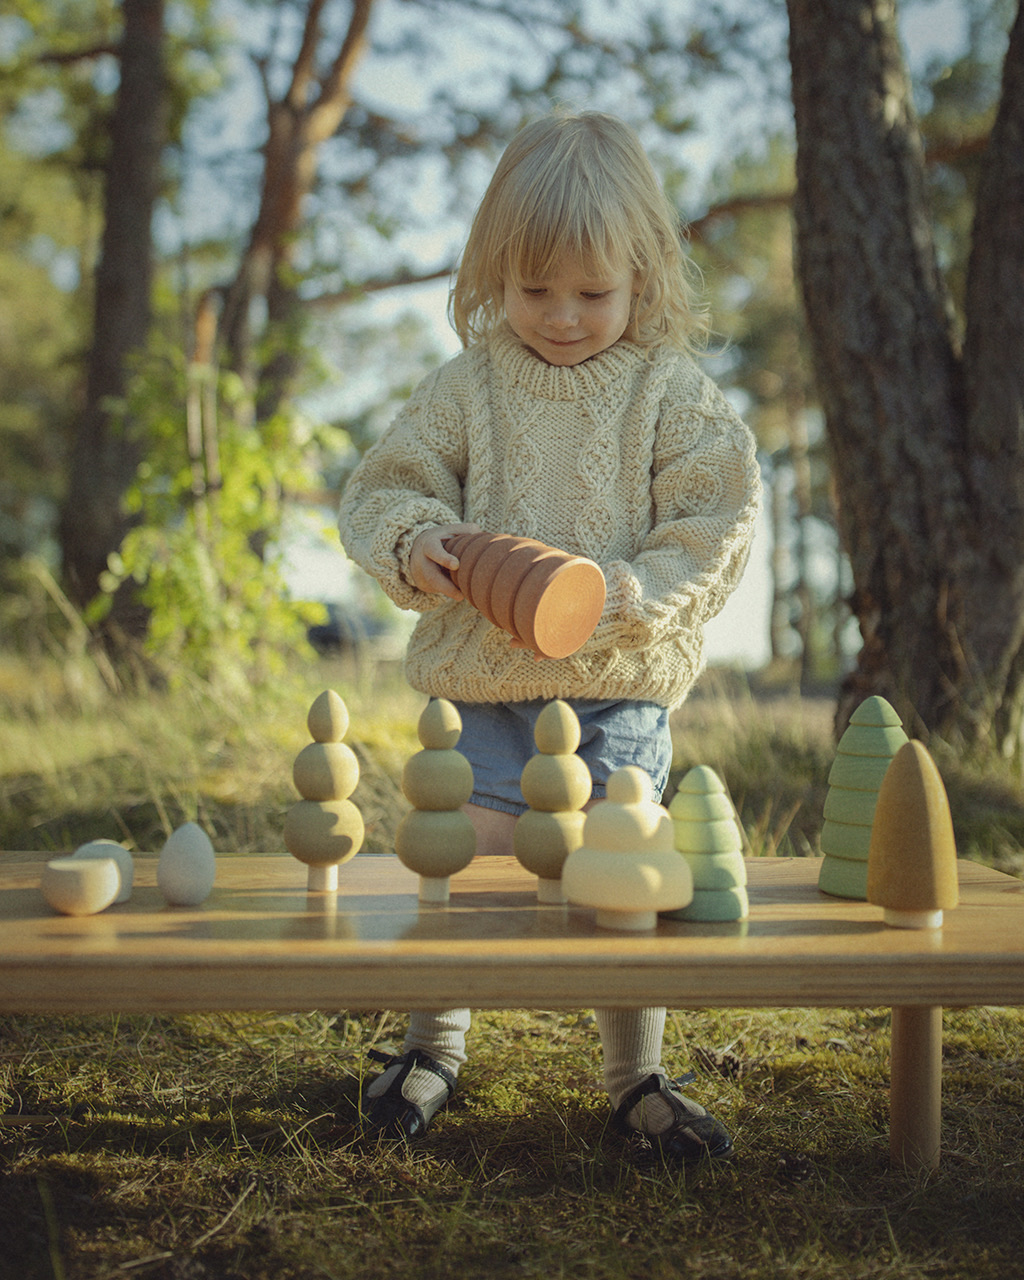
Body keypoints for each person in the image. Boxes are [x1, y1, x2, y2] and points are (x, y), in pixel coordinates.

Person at [338, 110, 761, 1164]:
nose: (563, 317)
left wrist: (627, 590)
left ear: (646, 273)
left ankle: (635, 1078)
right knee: (461, 864)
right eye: (534, 291)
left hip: (615, 688)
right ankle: (433, 1043)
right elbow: (384, 482)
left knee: (615, 879)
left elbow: (718, 516)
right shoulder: (467, 384)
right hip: (480, 685)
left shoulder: (669, 392)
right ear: (493, 273)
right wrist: (414, 537)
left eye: (591, 292)